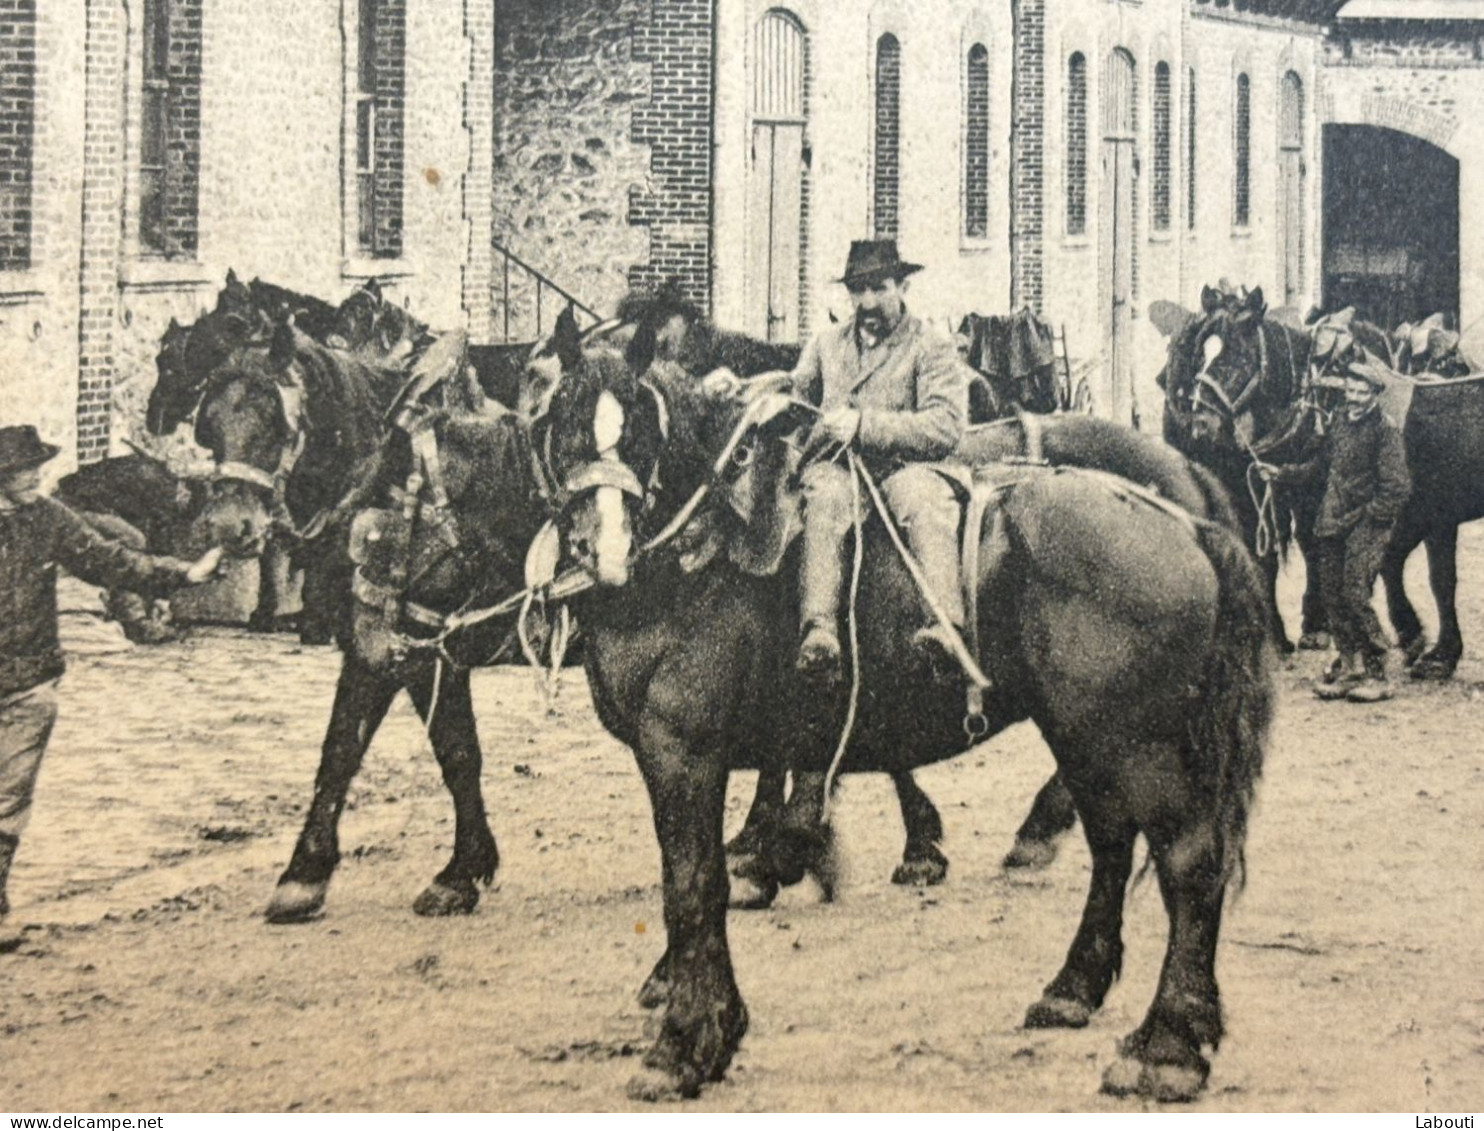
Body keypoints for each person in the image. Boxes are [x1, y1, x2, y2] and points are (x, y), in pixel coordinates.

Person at [0, 425, 226, 949]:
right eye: (24, 469)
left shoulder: (48, 518)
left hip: (28, 683)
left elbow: (111, 560)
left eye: (39, 465)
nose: (38, 475)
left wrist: (184, 575)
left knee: (7, 802)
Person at [783, 240, 971, 678]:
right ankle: (819, 633)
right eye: (857, 290)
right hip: (841, 470)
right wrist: (742, 389)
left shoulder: (931, 346)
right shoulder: (827, 344)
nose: (867, 301)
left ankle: (945, 627)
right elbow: (795, 395)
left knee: (923, 502)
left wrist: (864, 425)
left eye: (878, 288)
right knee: (823, 497)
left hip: (908, 467)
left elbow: (945, 425)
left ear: (902, 287)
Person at [1268, 362, 1411, 702]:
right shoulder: (1339, 424)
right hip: (1332, 521)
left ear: (1375, 395)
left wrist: (1371, 517)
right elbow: (1319, 468)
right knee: (1331, 595)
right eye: (1351, 391)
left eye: (1363, 393)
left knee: (1355, 594)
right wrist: (1281, 473)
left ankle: (1378, 672)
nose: (1356, 399)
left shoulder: (1385, 430)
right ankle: (1351, 668)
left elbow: (1397, 487)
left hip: (1366, 525)